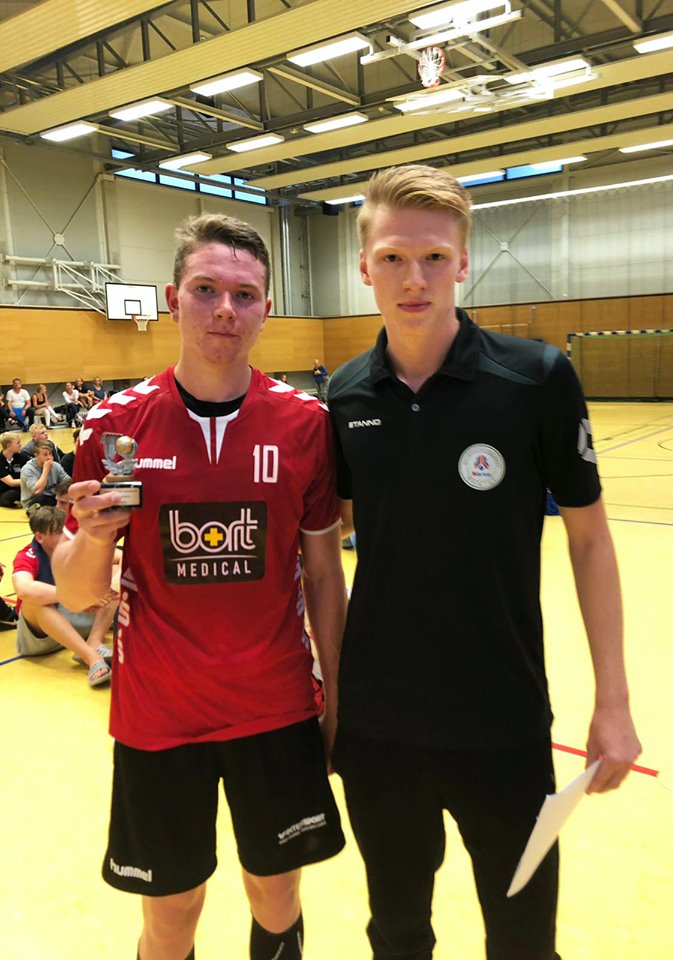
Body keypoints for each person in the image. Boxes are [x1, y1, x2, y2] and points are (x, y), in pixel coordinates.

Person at [327, 164, 642, 960]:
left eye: (434, 257)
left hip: (504, 724)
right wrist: (328, 695)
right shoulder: (345, 396)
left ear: (463, 262)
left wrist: (613, 701)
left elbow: (591, 539)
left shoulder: (535, 379)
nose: (415, 278)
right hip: (380, 729)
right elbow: (322, 545)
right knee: (397, 934)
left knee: (524, 940)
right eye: (393, 258)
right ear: (364, 266)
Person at [52, 212, 346, 960]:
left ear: (266, 309)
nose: (224, 310)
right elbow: (79, 595)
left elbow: (322, 573)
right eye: (206, 289)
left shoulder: (305, 424)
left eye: (244, 296)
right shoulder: (116, 427)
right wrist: (95, 535)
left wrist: (340, 696)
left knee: (276, 892)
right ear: (172, 299)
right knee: (171, 911)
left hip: (275, 705)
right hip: (158, 712)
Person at [12, 506, 113, 686]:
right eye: (59, 532)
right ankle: (91, 657)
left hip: (76, 621)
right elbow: (23, 589)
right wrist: (77, 595)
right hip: (43, 637)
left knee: (118, 576)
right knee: (32, 602)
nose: (66, 536)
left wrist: (97, 587)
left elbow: (120, 557)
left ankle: (95, 640)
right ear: (40, 537)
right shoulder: (28, 555)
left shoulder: (74, 548)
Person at [20, 440, 69, 510]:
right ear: (36, 456)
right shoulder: (28, 469)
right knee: (42, 498)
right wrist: (46, 470)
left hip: (52, 497)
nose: (49, 457)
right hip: (34, 501)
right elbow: (37, 491)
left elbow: (68, 482)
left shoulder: (56, 466)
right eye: (45, 455)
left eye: (50, 454)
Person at [0, 432, 29, 508]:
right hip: (4, 490)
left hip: (20, 487)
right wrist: (31, 480)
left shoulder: (22, 457)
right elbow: (11, 482)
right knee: (9, 497)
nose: (20, 445)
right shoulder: (0, 461)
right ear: (8, 445)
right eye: (17, 443)